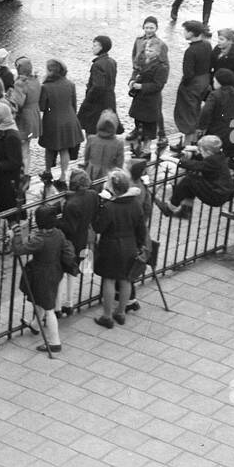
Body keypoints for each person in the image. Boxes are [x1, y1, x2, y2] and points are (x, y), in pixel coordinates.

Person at [14, 204, 75, 356]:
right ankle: (35, 325)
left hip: (42, 275)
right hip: (55, 271)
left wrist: (16, 236)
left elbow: (19, 250)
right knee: (42, 300)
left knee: (49, 308)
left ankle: (55, 342)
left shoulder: (40, 240)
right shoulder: (58, 233)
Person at [92, 168, 148, 329]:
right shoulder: (135, 204)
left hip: (111, 246)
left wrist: (100, 206)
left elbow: (98, 227)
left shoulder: (110, 207)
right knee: (126, 280)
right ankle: (121, 312)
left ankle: (107, 316)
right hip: (130, 245)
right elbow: (141, 229)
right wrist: (139, 245)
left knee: (109, 280)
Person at [55, 168, 97, 317]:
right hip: (83, 238)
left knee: (61, 272)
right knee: (73, 271)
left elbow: (69, 227)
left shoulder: (71, 204)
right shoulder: (92, 195)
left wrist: (55, 221)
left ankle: (57, 307)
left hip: (69, 242)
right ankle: (69, 303)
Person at [162, 136, 234, 218]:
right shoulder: (219, 155)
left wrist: (172, 159)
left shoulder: (212, 161)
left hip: (216, 196)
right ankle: (185, 210)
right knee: (193, 181)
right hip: (223, 193)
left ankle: (170, 208)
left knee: (188, 180)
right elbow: (205, 158)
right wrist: (195, 149)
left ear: (208, 152)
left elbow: (194, 165)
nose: (200, 152)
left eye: (201, 150)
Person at [38, 58, 81, 190]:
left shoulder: (45, 87)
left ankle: (47, 172)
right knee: (64, 149)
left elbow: (42, 107)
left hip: (52, 121)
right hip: (69, 119)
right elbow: (74, 104)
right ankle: (62, 177)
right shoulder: (70, 84)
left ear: (50, 71)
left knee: (49, 148)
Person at [174, 20, 214, 148]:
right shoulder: (207, 45)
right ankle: (194, 140)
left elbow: (188, 73)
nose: (184, 33)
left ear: (191, 33)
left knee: (187, 112)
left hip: (193, 84)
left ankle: (187, 144)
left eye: (185, 31)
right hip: (204, 80)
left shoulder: (191, 51)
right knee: (196, 110)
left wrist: (184, 85)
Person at [126, 39, 168, 159]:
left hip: (151, 101)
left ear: (158, 52)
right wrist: (132, 81)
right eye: (147, 50)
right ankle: (138, 146)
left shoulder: (161, 67)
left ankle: (147, 149)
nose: (147, 52)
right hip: (140, 99)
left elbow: (158, 85)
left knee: (149, 127)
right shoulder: (142, 61)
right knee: (138, 122)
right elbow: (135, 72)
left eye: (151, 51)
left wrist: (142, 86)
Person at [77, 35, 119, 139]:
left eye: (95, 45)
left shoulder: (97, 65)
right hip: (109, 101)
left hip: (97, 105)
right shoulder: (112, 62)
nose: (92, 48)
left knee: (91, 131)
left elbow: (98, 87)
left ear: (101, 47)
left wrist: (88, 100)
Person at [9, 57, 42, 167]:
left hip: (23, 118)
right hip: (34, 114)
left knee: (21, 147)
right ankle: (26, 172)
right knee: (26, 147)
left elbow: (18, 103)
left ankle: (21, 173)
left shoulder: (20, 83)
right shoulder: (35, 80)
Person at [83, 113, 125, 185]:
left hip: (91, 172)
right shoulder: (119, 143)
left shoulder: (91, 139)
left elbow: (86, 158)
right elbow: (119, 164)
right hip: (109, 175)